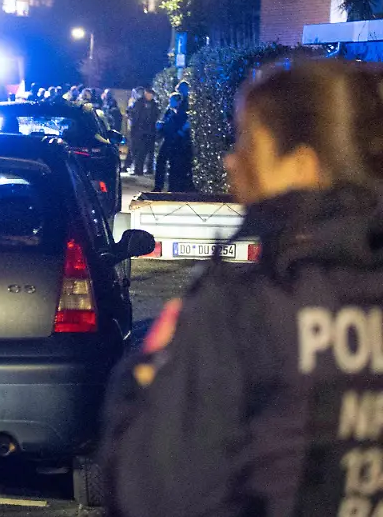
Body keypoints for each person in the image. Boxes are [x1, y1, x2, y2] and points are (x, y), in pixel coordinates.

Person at [102, 61, 383, 517]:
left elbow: (154, 491)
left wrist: (144, 378)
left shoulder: (248, 304)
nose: (233, 162)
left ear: (303, 166)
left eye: (249, 142)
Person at [153, 93, 190, 191]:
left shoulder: (182, 113)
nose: (170, 103)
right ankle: (158, 186)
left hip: (177, 142)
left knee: (174, 164)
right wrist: (161, 126)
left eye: (172, 101)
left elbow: (182, 127)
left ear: (178, 102)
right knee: (161, 162)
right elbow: (167, 123)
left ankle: (173, 187)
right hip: (167, 139)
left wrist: (179, 132)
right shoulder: (169, 111)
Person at [127, 88, 159, 176]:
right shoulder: (138, 103)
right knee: (136, 151)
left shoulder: (154, 105)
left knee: (144, 151)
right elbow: (132, 113)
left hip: (148, 132)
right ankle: (138, 169)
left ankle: (141, 169)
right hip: (138, 131)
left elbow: (155, 116)